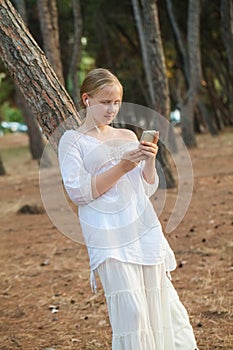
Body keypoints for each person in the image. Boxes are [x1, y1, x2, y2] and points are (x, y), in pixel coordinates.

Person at [58, 68, 198, 350]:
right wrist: (122, 165)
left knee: (163, 304)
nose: (112, 109)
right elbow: (79, 192)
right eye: (105, 102)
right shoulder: (72, 140)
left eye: (117, 102)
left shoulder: (125, 134)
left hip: (141, 228)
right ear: (87, 100)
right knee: (132, 312)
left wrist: (147, 160)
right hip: (107, 234)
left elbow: (146, 188)